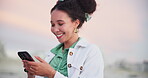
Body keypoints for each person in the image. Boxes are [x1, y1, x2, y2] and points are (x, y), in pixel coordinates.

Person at [23, 0, 104, 78]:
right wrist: (31, 75)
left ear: (76, 23)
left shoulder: (91, 51)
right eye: (53, 24)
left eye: (60, 24)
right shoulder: (51, 54)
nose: (55, 29)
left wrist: (51, 74)